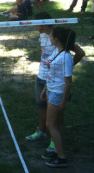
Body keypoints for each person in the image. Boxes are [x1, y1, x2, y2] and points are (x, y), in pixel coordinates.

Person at [26, 13, 84, 162]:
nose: (35, 26)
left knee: (56, 113)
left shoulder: (60, 35)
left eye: (37, 24)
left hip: (56, 83)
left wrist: (65, 69)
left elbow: (80, 52)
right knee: (41, 105)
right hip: (43, 77)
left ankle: (55, 141)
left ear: (45, 24)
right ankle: (42, 131)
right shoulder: (43, 35)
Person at [40, 27, 79, 168]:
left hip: (58, 93)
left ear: (57, 39)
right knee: (55, 124)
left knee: (50, 125)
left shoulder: (66, 57)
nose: (49, 38)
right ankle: (56, 150)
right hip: (51, 90)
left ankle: (61, 157)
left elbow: (68, 81)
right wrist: (45, 89)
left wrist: (63, 102)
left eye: (51, 36)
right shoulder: (57, 51)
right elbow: (52, 73)